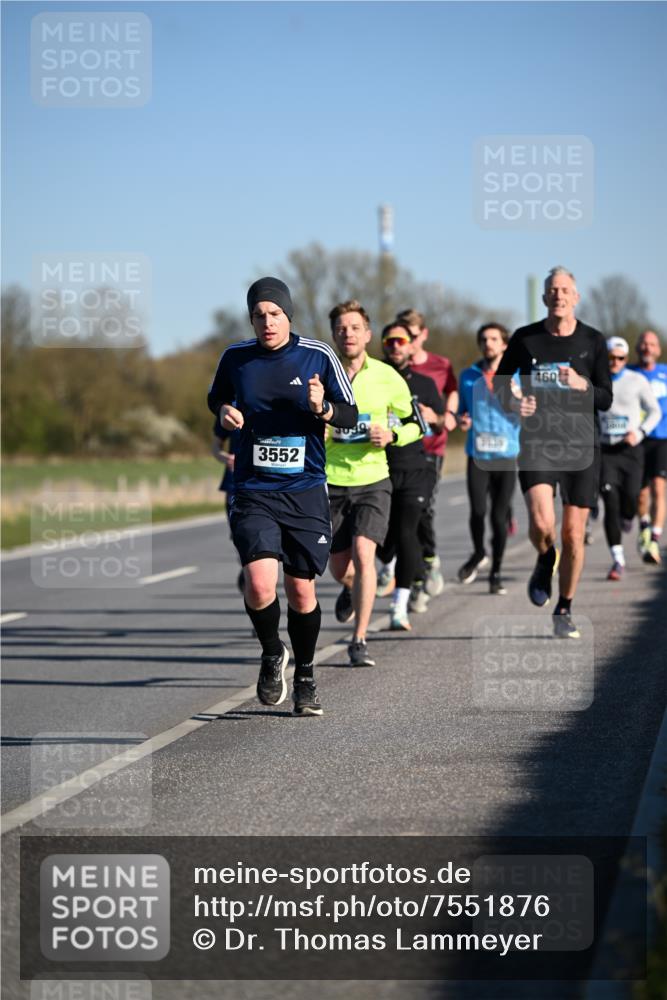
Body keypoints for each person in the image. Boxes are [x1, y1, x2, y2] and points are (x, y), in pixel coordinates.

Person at [207, 277, 357, 716]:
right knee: (258, 583)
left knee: (301, 591)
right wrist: (225, 411)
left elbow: (349, 414)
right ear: (251, 319)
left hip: (304, 490)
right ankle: (273, 652)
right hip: (253, 488)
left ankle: (306, 676)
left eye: (274, 314)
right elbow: (216, 399)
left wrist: (322, 408)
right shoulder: (236, 358)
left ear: (288, 315)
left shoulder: (317, 355)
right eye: (259, 315)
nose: (267, 322)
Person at [495, 266, 612, 639]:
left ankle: (564, 608)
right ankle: (546, 558)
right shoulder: (525, 338)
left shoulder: (593, 341)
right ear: (545, 297)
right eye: (552, 290)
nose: (558, 295)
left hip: (581, 446)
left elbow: (606, 398)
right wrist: (514, 403)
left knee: (573, 534)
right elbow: (500, 384)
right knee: (543, 524)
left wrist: (582, 385)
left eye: (565, 289)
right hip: (538, 442)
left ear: (575, 297)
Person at [325, 301, 418, 665]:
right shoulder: (321, 374)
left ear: (367, 334)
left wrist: (392, 435)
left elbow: (416, 424)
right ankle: (351, 588)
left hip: (373, 479)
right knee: (338, 568)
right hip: (331, 481)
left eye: (355, 327)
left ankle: (359, 639)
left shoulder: (387, 376)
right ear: (334, 335)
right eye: (341, 328)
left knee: (365, 554)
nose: (348, 333)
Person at [377, 320, 444, 630]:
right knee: (383, 538)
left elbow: (441, 423)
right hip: (379, 468)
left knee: (407, 533)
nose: (395, 346)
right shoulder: (372, 379)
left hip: (415, 467)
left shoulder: (425, 384)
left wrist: (434, 417)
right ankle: (389, 566)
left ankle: (399, 605)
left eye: (400, 341)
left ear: (411, 345)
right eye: (389, 342)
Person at [389, 308, 458, 598]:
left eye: (413, 336)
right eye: (401, 337)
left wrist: (446, 415)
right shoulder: (390, 369)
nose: (408, 342)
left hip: (431, 447)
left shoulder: (440, 365)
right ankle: (412, 570)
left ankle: (426, 560)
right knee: (401, 518)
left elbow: (452, 393)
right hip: (400, 452)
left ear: (423, 335)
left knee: (424, 510)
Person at [456, 323, 520, 594]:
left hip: (506, 455)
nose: (488, 343)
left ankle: (496, 572)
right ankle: (479, 552)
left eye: (494, 339)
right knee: (478, 511)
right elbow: (462, 411)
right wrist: (462, 419)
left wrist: (518, 397)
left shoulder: (517, 375)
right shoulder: (468, 376)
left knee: (498, 516)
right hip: (478, 455)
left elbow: (531, 411)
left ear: (504, 344)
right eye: (484, 339)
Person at [598, 336, 661, 580]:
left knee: (631, 499)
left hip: (631, 451)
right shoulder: (595, 380)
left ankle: (629, 516)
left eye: (620, 358)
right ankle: (618, 559)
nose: (615, 362)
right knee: (610, 502)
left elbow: (655, 411)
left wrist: (640, 432)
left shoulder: (636, 380)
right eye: (610, 357)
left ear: (626, 359)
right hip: (606, 451)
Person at [629, 329, 667, 564]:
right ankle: (644, 525)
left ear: (658, 350)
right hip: (637, 439)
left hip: (662, 438)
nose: (647, 348)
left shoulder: (665, 373)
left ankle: (654, 539)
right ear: (637, 348)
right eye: (643, 343)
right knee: (640, 493)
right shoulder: (629, 373)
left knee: (659, 489)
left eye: (652, 344)